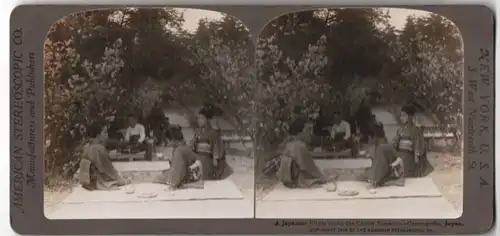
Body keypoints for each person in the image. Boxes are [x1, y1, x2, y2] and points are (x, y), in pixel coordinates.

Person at [366, 104, 433, 189]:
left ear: (410, 116)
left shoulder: (416, 130)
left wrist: (416, 159)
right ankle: (374, 179)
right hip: (399, 153)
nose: (402, 117)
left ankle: (380, 179)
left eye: (404, 115)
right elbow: (395, 145)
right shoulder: (401, 130)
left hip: (408, 157)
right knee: (382, 148)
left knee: (391, 165)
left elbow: (419, 150)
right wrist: (395, 141)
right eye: (401, 115)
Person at [276, 118, 327, 188]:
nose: (310, 133)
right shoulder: (300, 145)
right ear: (300, 132)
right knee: (321, 177)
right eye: (308, 130)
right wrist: (322, 176)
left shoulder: (290, 142)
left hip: (286, 179)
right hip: (295, 178)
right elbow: (308, 168)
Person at [76, 123, 129, 190]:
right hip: (96, 181)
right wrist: (120, 179)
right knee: (123, 180)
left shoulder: (87, 146)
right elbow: (108, 170)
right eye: (105, 132)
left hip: (86, 180)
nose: (106, 134)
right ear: (98, 135)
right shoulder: (99, 148)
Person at [155, 125, 204, 190]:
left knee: (156, 177)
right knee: (160, 175)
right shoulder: (184, 147)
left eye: (167, 141)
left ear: (173, 140)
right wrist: (168, 160)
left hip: (186, 177)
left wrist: (172, 185)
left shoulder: (179, 150)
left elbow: (179, 169)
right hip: (188, 174)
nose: (166, 143)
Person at [190, 107, 231, 180]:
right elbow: (191, 147)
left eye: (202, 118)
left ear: (208, 120)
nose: (199, 121)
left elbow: (218, 153)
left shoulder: (213, 133)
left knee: (197, 166)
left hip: (206, 160)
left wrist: (217, 168)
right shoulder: (197, 131)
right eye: (198, 118)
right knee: (180, 151)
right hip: (196, 157)